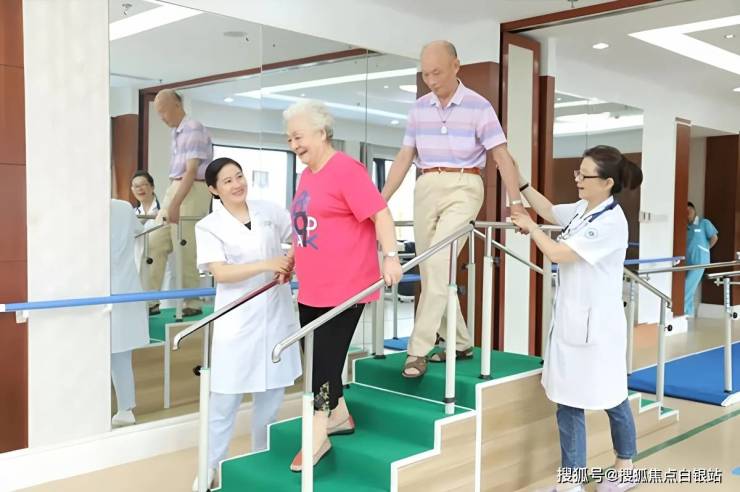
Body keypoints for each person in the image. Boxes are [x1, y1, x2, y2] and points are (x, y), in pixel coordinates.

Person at [380, 40, 526, 379]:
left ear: (456, 66)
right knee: (432, 269)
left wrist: (516, 203)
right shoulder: (419, 108)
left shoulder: (479, 106)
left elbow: (502, 156)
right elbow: (404, 157)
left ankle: (417, 349)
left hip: (465, 184)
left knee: (438, 262)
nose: (431, 81)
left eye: (437, 72)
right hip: (425, 185)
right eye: (425, 74)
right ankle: (460, 341)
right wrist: (380, 199)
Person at [510, 145, 643, 492]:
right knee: (568, 401)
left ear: (607, 182)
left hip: (598, 328)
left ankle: (625, 465)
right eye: (577, 173)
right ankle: (573, 479)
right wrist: (520, 181)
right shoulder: (584, 209)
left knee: (612, 397)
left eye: (585, 175)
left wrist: (531, 228)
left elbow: (558, 253)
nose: (578, 180)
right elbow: (549, 209)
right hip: (573, 322)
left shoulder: (611, 222)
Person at [283, 100, 403, 471]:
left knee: (323, 364)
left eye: (299, 137)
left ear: (321, 132)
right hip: (312, 286)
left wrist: (391, 256)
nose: (294, 145)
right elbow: (308, 224)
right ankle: (339, 416)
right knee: (315, 358)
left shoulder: (346, 170)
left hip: (346, 287)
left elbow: (380, 214)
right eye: (289, 139)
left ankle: (317, 435)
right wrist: (291, 258)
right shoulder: (308, 175)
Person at [193, 157, 302, 490]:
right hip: (237, 321)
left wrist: (289, 261)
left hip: (275, 316)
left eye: (239, 176)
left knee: (269, 401)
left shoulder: (268, 210)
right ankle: (209, 468)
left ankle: (260, 462)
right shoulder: (209, 225)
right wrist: (267, 264)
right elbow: (221, 272)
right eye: (227, 181)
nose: (237, 184)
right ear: (214, 189)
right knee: (224, 402)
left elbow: (300, 236)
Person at [147, 89, 213, 316]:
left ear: (176, 105)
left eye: (163, 111)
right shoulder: (176, 132)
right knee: (154, 241)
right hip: (176, 186)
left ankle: (191, 302)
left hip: (192, 188)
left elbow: (191, 170)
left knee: (185, 247)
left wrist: (175, 204)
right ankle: (150, 300)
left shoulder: (193, 128)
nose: (161, 117)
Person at [109, 199, 150, 427]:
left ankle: (122, 409)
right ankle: (125, 408)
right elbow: (140, 230)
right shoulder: (124, 207)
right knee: (120, 355)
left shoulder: (80, 209)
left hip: (102, 291)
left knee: (114, 354)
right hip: (124, 290)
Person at [684, 202, 718, 317]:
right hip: (688, 262)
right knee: (689, 287)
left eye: (689, 211)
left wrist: (705, 249)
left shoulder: (704, 223)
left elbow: (714, 237)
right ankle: (688, 312)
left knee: (687, 286)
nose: (687, 214)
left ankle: (685, 312)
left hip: (699, 261)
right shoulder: (686, 226)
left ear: (694, 210)